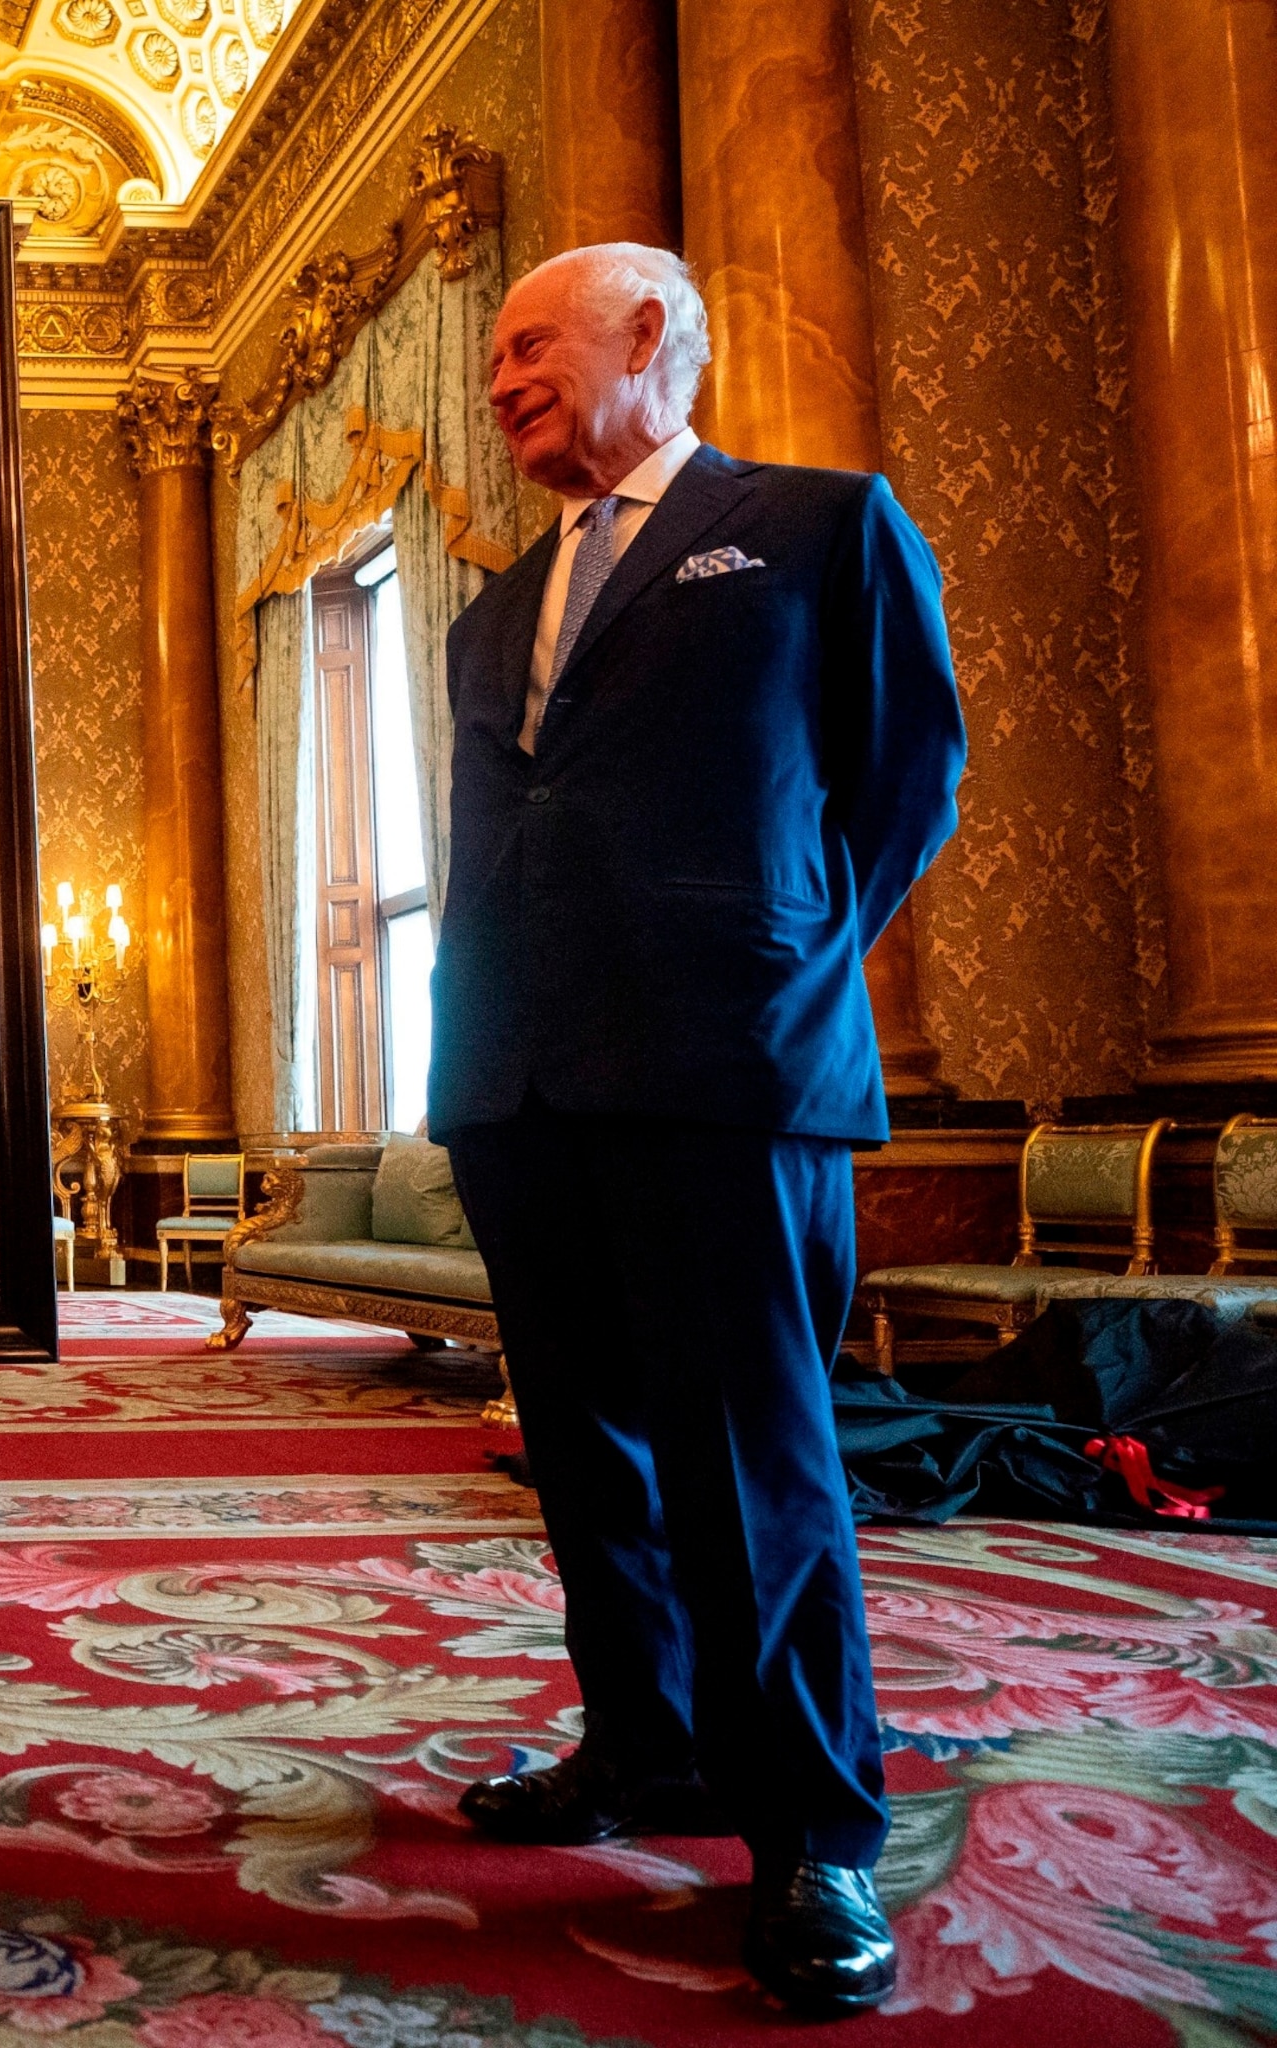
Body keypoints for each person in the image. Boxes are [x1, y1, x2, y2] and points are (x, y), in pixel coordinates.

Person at [428, 243, 963, 2019]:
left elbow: (903, 777)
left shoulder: (815, 530)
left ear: (645, 335)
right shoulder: (488, 609)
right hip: (515, 1077)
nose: (499, 378)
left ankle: (811, 1829)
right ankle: (641, 1742)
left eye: (525, 345)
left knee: (754, 1455)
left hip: (723, 1067)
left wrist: (778, 963)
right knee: (582, 1450)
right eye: (494, 355)